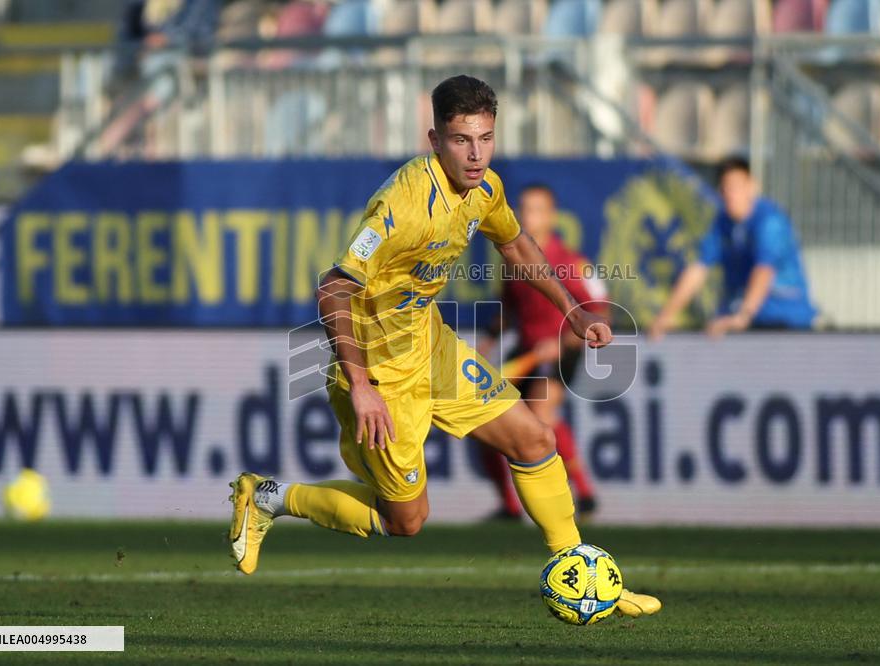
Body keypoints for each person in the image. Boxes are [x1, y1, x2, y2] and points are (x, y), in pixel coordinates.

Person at [228, 75, 659, 619]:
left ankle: (582, 571)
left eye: (486, 138)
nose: (476, 154)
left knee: (533, 438)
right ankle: (266, 496)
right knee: (405, 520)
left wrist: (569, 307)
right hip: (380, 369)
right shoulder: (401, 203)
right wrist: (360, 384)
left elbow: (515, 241)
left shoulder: (485, 188)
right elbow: (333, 286)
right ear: (435, 140)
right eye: (461, 140)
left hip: (431, 346)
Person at [479, 184, 606, 521]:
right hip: (528, 350)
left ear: (551, 216)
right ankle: (509, 507)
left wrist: (564, 342)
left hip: (562, 351)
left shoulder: (573, 262)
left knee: (537, 419)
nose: (527, 216)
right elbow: (509, 307)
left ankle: (584, 493)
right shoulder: (513, 259)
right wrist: (487, 344)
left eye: (536, 209)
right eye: (523, 208)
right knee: (481, 421)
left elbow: (600, 311)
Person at [649, 156, 818, 339]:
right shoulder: (720, 224)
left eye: (736, 187)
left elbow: (764, 270)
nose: (730, 194)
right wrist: (665, 316)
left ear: (752, 186)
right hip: (746, 321)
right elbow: (698, 268)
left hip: (785, 321)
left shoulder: (770, 221)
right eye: (725, 188)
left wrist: (743, 315)